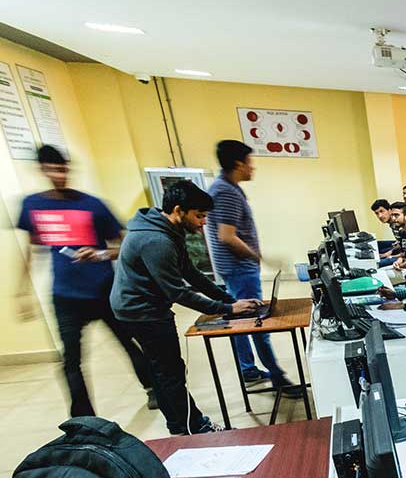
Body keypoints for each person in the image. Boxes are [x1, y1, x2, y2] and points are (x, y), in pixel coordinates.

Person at [111, 180, 262, 435]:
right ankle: (193, 427)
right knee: (170, 371)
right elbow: (178, 292)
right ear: (179, 210)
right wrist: (227, 309)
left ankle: (178, 426)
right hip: (141, 312)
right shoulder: (156, 240)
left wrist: (228, 299)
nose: (204, 222)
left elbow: (191, 273)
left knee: (162, 369)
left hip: (141, 306)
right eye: (199, 216)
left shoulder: (167, 230)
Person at [17, 145, 155, 417]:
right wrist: (22, 291)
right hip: (66, 296)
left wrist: (100, 254)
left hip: (104, 289)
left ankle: (153, 387)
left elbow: (126, 246)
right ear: (42, 170)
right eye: (54, 170)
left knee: (129, 342)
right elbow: (31, 247)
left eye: (64, 169)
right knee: (71, 360)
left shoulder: (92, 205)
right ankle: (83, 418)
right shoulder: (33, 205)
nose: (60, 175)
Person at [205, 140, 299, 397]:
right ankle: (277, 376)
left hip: (234, 267)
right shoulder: (225, 192)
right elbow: (227, 236)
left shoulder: (225, 187)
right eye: (249, 163)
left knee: (241, 320)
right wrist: (261, 257)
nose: (252, 168)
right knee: (257, 322)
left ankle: (248, 369)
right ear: (238, 164)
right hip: (239, 268)